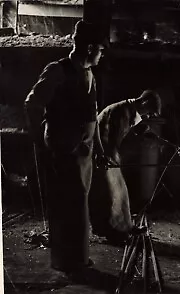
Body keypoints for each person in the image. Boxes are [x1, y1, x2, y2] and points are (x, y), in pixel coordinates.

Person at [24, 20, 111, 273]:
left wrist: (99, 150)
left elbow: (92, 117)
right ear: (90, 47)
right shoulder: (57, 71)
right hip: (63, 152)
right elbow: (32, 104)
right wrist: (45, 140)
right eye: (101, 50)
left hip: (83, 153)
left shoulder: (89, 74)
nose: (102, 54)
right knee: (64, 207)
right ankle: (65, 262)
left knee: (79, 207)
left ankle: (79, 259)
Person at [89, 90, 162, 244]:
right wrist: (106, 157)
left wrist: (156, 137)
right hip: (101, 153)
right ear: (143, 102)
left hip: (110, 152)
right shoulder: (120, 111)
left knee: (121, 190)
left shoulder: (130, 110)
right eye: (149, 112)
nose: (148, 116)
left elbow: (137, 126)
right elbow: (109, 137)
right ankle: (113, 233)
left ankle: (126, 227)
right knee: (109, 195)